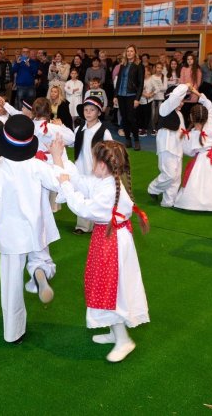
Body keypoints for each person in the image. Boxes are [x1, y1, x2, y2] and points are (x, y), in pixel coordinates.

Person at [0, 115, 62, 343]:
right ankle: (40, 272)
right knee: (40, 257)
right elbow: (60, 181)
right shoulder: (38, 166)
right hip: (38, 228)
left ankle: (13, 332)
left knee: (11, 282)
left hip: (12, 234)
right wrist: (56, 158)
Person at [50, 139, 149, 363]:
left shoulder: (108, 191)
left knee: (111, 289)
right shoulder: (106, 181)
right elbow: (83, 183)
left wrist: (64, 182)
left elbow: (83, 207)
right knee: (106, 286)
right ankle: (116, 332)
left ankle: (124, 339)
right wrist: (60, 158)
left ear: (102, 165)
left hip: (112, 244)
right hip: (109, 240)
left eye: (94, 160)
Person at [173, 91, 212, 212]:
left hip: (201, 159)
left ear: (190, 117)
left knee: (198, 181)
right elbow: (209, 105)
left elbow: (189, 152)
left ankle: (195, 203)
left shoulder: (191, 135)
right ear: (206, 116)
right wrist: (196, 92)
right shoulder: (210, 125)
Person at [71, 96, 112, 235]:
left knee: (96, 197)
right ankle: (82, 226)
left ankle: (98, 224)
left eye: (92, 110)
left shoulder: (104, 131)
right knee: (82, 195)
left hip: (97, 172)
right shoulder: (79, 129)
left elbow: (111, 150)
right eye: (86, 109)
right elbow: (72, 142)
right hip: (81, 168)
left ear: (99, 112)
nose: (88, 113)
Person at [147, 84, 189, 208]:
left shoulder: (180, 114)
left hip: (177, 148)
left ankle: (168, 201)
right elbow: (175, 96)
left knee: (176, 177)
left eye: (183, 101)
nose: (182, 103)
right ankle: (153, 188)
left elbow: (183, 132)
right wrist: (186, 85)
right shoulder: (165, 108)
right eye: (180, 100)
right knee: (169, 174)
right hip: (166, 147)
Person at [113, 45, 143, 151]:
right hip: (121, 95)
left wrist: (137, 98)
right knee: (124, 119)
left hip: (132, 95)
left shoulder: (139, 65)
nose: (129, 53)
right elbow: (119, 81)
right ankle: (127, 140)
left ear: (135, 53)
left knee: (131, 119)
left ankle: (136, 140)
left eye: (131, 51)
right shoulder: (123, 65)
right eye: (128, 51)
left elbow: (140, 84)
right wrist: (115, 95)